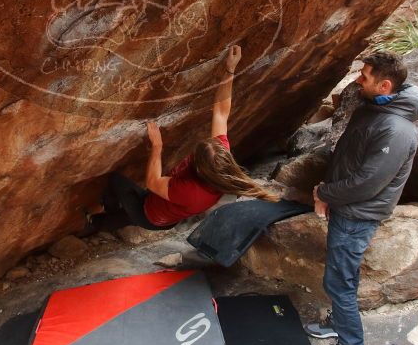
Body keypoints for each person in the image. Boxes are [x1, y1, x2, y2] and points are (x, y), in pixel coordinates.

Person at [304, 51, 418, 345]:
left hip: (357, 215)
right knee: (343, 276)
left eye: (364, 76)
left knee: (339, 281)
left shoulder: (396, 130)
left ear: (384, 85)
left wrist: (325, 192)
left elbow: (367, 183)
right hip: (348, 208)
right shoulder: (374, 107)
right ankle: (338, 323)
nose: (358, 80)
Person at [87, 45, 279, 233]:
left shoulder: (192, 193)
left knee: (117, 183)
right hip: (168, 209)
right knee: (123, 218)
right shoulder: (219, 159)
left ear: (199, 169)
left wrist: (157, 146)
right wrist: (230, 69)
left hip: (152, 215)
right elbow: (221, 113)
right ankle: (96, 224)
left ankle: (106, 209)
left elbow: (153, 182)